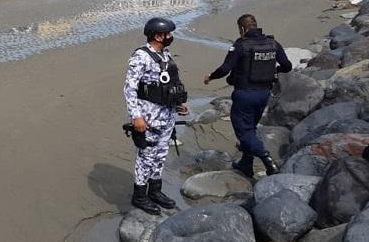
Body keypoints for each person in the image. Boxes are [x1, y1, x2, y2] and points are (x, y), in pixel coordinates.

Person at [204, 14, 292, 177]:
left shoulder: (241, 45)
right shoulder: (273, 43)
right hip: (264, 94)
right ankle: (246, 163)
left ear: (242, 29)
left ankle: (267, 160)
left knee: (244, 132)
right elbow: (287, 66)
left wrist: (210, 76)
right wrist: (272, 70)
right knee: (250, 129)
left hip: (244, 95)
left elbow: (225, 69)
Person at [124, 17, 190, 215]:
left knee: (160, 155)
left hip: (167, 115)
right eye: (167, 34)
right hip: (148, 116)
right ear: (157, 36)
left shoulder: (165, 54)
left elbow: (168, 83)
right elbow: (129, 88)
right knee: (146, 156)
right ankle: (140, 195)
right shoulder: (140, 57)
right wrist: (136, 117)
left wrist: (179, 103)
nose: (170, 37)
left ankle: (155, 191)